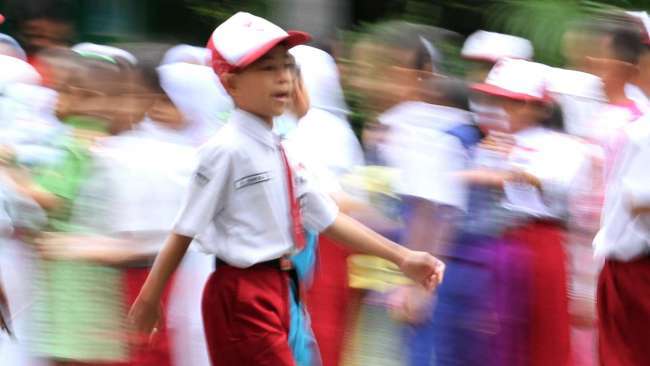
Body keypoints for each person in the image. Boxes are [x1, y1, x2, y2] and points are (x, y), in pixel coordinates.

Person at [128, 12, 445, 366]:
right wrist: (151, 296)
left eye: (287, 67)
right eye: (266, 69)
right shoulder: (224, 151)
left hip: (282, 286)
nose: (283, 79)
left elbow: (326, 215)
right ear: (230, 83)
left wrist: (402, 257)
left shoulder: (284, 150)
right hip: (240, 291)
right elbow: (184, 228)